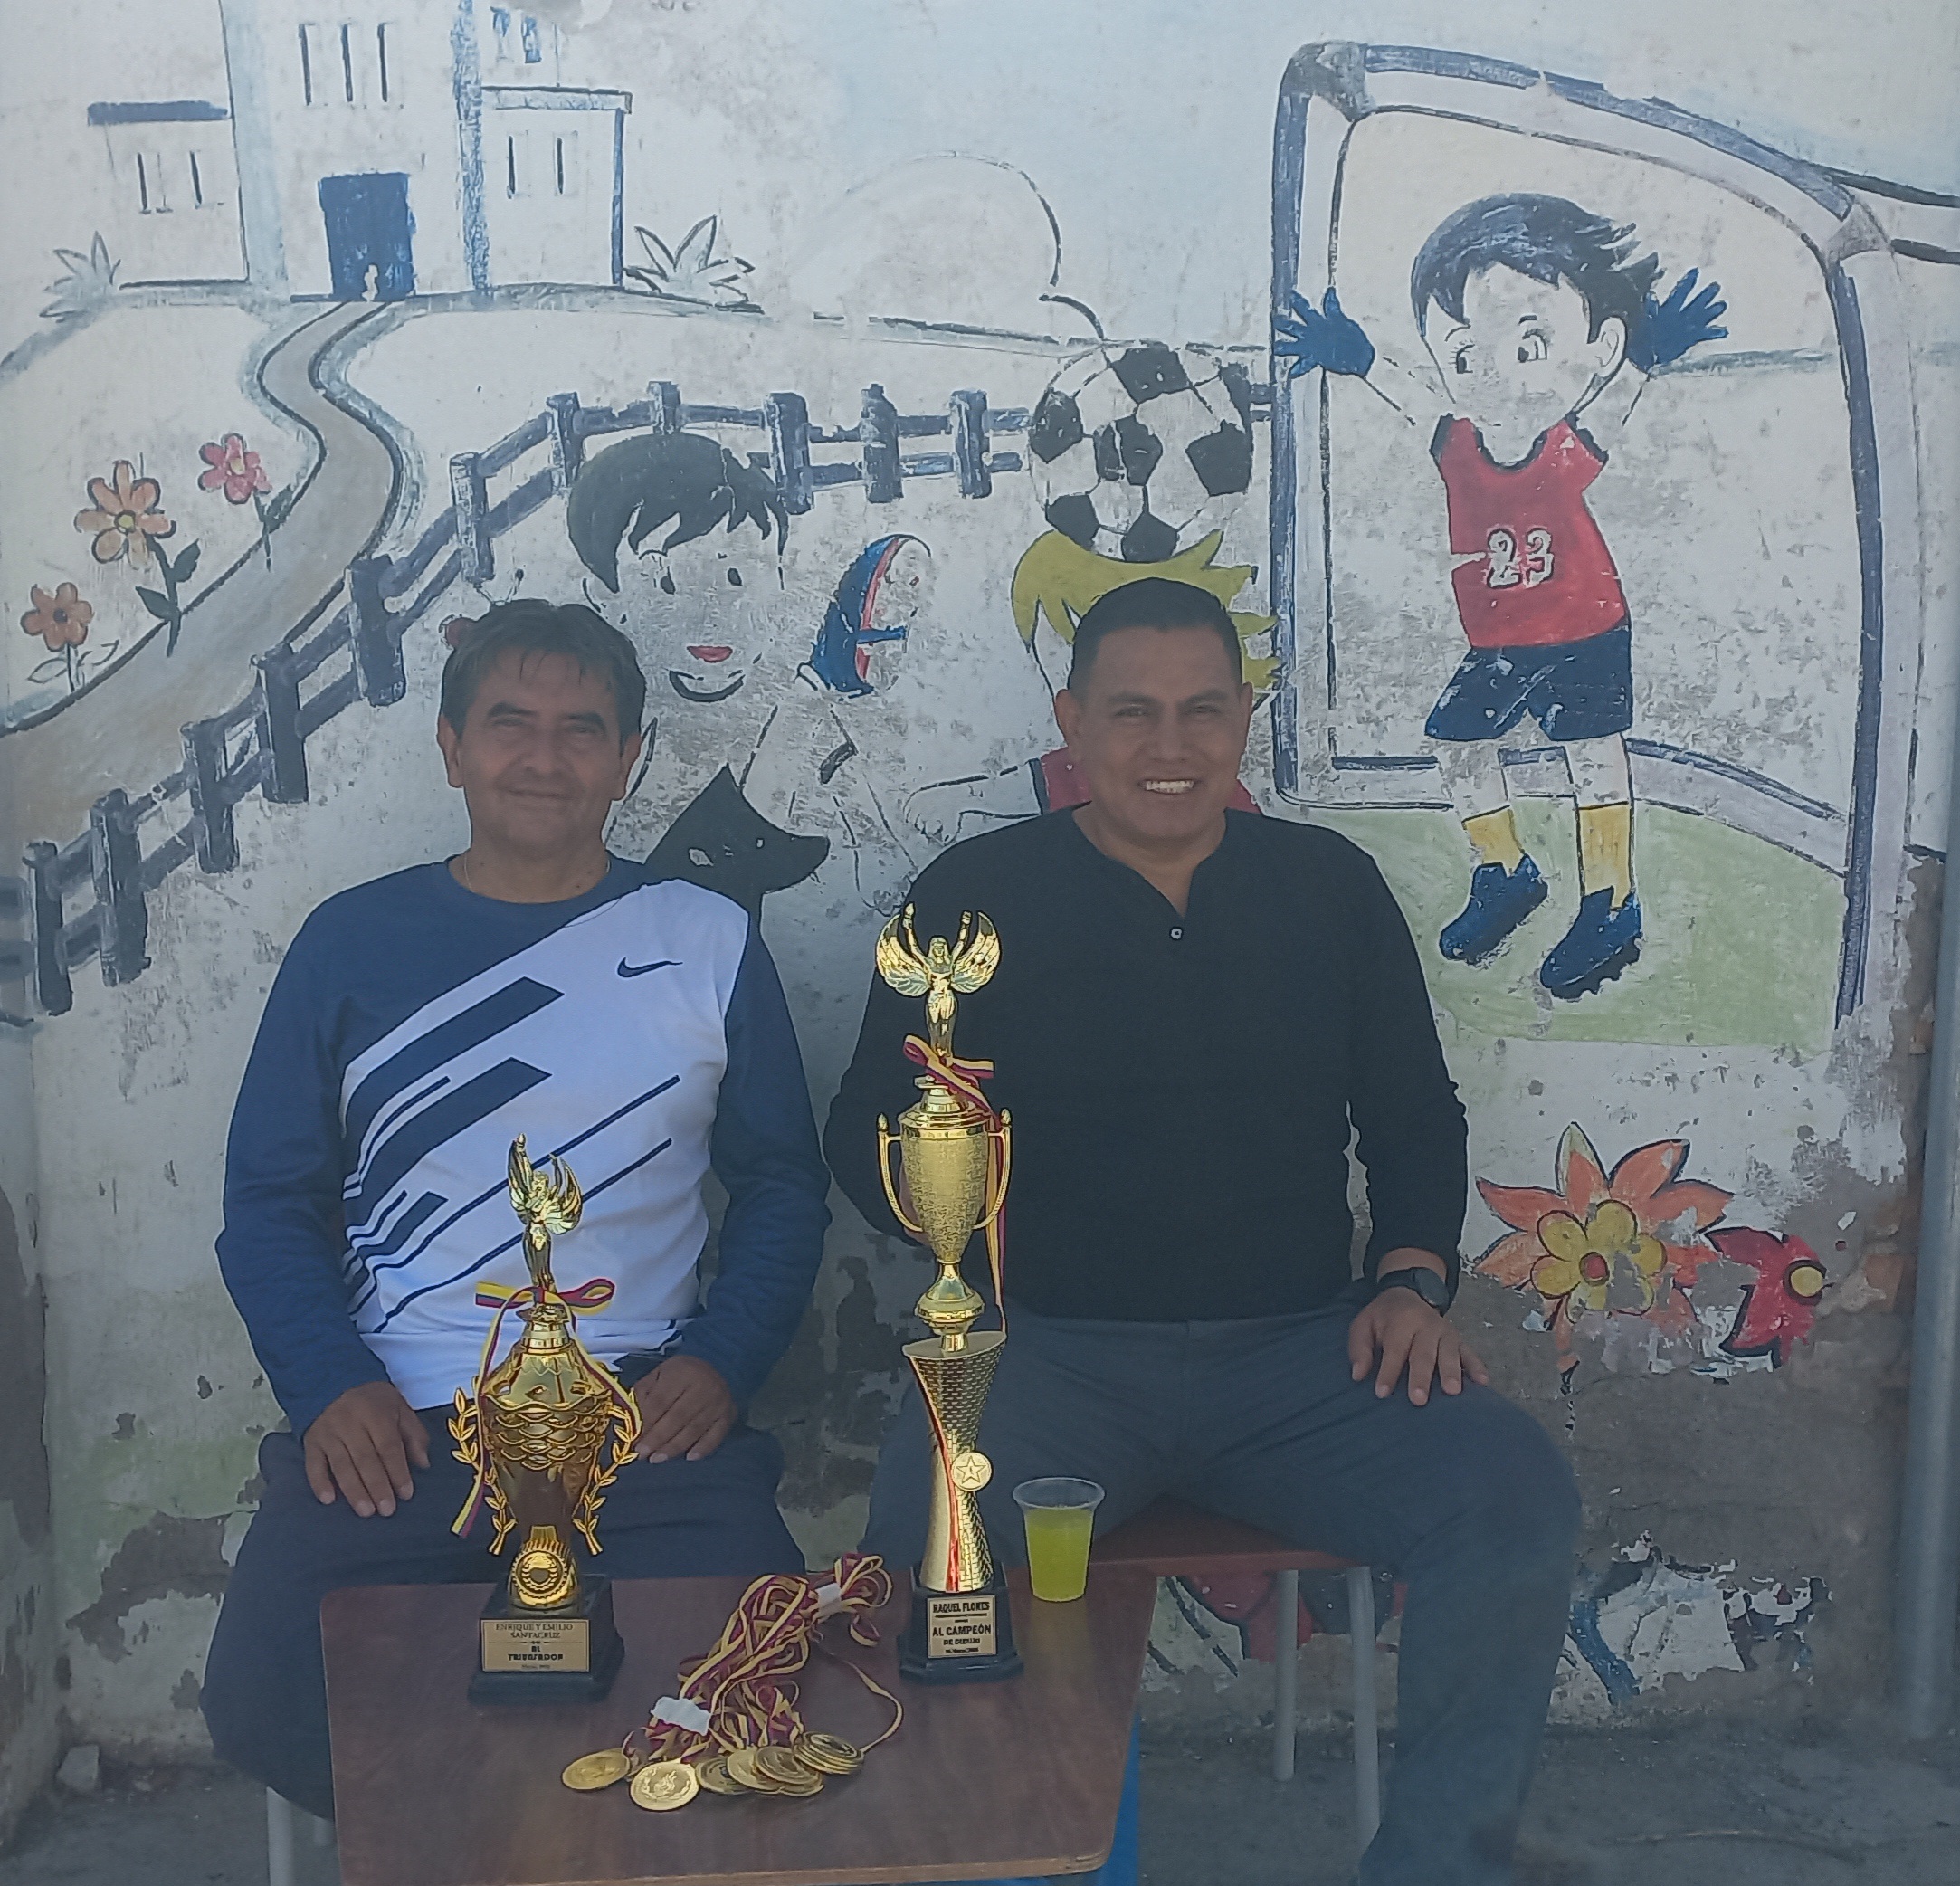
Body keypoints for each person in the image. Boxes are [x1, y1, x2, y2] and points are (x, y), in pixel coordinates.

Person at [824, 578, 1581, 1885]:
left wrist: (1410, 1280)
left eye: (1200, 711)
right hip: (1049, 1362)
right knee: (919, 1558)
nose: (1167, 747)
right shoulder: (973, 895)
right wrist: (949, 1196)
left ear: (1242, 720)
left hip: (1303, 1361)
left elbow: (1413, 1112)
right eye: (1131, 712)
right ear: (1071, 720)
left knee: (1511, 1494)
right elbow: (860, 1131)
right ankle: (970, 1857)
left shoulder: (1326, 888)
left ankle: (1438, 1865)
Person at [203, 599, 832, 1819]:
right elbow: (270, 1198)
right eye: (509, 723)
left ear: (628, 757)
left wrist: (722, 1361)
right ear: (451, 747)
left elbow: (781, 1185)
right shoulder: (349, 942)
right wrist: (329, 1385)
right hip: (401, 1427)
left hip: (643, 1430)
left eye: (582, 729)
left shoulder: (706, 940)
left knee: (753, 1680)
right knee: (272, 1694)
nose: (545, 758)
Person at [1275, 194, 1727, 998]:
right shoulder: (1457, 445)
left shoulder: (1565, 451)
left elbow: (1616, 402)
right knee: (1456, 743)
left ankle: (1611, 903)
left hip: (1586, 629)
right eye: (1462, 351)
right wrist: (1359, 357)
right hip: (1500, 640)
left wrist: (1645, 357)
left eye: (1525, 344)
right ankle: (1507, 872)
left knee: (1593, 757)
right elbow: (1415, 399)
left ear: (1596, 347)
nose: (1489, 371)